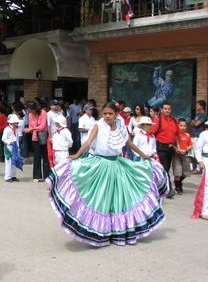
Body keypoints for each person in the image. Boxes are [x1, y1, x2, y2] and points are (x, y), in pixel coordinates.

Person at [47, 102, 169, 247]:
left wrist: (144, 156)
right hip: (101, 164)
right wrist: (77, 155)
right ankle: (100, 231)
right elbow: (88, 142)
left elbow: (129, 144)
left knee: (119, 200)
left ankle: (118, 231)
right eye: (105, 113)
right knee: (101, 199)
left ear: (116, 113)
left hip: (117, 164)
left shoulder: (121, 126)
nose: (107, 116)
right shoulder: (98, 125)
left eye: (110, 113)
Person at [152, 102, 179, 198]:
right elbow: (151, 133)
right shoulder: (158, 119)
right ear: (162, 109)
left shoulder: (174, 121)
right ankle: (169, 190)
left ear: (171, 110)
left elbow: (176, 134)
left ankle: (161, 189)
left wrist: (177, 147)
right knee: (165, 168)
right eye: (165, 108)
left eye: (168, 109)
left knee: (166, 169)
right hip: (161, 147)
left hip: (171, 148)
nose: (167, 110)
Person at [25, 101, 49, 182]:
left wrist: (32, 129)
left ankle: (47, 176)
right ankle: (37, 176)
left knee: (45, 156)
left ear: (35, 108)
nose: (30, 112)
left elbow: (43, 126)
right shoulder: (30, 115)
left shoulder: (43, 113)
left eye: (31, 110)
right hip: (35, 137)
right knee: (37, 156)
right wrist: (31, 129)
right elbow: (30, 125)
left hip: (43, 136)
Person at [172, 118, 192, 195]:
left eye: (184, 126)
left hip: (185, 155)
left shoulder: (187, 135)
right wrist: (177, 149)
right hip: (177, 156)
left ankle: (179, 182)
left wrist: (187, 149)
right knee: (178, 172)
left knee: (186, 172)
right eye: (181, 125)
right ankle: (178, 187)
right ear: (177, 126)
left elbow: (190, 145)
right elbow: (173, 144)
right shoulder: (175, 135)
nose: (183, 127)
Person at [193, 120, 208, 220]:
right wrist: (200, 161)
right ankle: (204, 211)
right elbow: (198, 149)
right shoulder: (204, 134)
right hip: (206, 159)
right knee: (207, 185)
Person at [2, 114, 22, 183]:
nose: (17, 123)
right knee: (8, 162)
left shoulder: (15, 129)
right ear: (12, 122)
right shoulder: (7, 129)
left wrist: (18, 147)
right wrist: (10, 142)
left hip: (15, 147)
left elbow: (17, 139)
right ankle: (7, 177)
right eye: (16, 122)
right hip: (9, 147)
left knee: (14, 162)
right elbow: (3, 139)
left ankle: (13, 176)